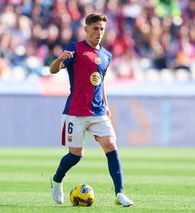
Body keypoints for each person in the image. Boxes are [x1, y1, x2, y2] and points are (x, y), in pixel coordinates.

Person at [49, 13, 134, 207]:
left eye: (102, 29)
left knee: (111, 145)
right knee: (75, 155)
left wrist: (106, 103)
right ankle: (56, 180)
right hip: (75, 111)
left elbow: (101, 81)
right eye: (95, 28)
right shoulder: (75, 49)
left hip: (98, 112)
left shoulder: (106, 55)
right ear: (86, 29)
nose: (99, 33)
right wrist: (59, 59)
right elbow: (53, 70)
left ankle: (120, 193)